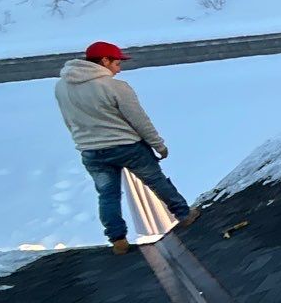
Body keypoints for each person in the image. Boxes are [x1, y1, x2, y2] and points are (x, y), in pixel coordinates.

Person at [54, 42, 199, 255]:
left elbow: (69, 120)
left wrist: (84, 142)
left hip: (91, 151)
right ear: (104, 61)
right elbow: (139, 120)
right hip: (127, 147)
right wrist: (158, 145)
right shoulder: (115, 87)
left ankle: (118, 240)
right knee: (157, 182)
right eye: (117, 62)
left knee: (107, 195)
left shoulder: (61, 87)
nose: (119, 68)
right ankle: (184, 215)